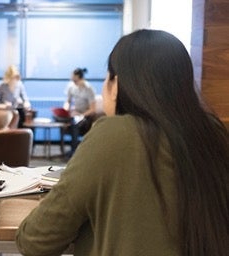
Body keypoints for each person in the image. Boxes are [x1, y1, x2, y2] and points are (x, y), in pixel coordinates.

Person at [16, 30, 229, 256]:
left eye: (106, 78)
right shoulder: (214, 135)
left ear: (116, 85)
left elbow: (36, 240)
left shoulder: (112, 136)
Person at [61, 67, 97, 154]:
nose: (71, 77)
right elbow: (68, 101)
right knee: (61, 120)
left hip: (86, 116)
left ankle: (74, 151)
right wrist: (66, 109)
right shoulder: (71, 87)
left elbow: (93, 109)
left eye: (72, 75)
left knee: (75, 124)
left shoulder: (89, 89)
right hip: (75, 113)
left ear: (77, 76)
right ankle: (63, 150)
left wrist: (81, 115)